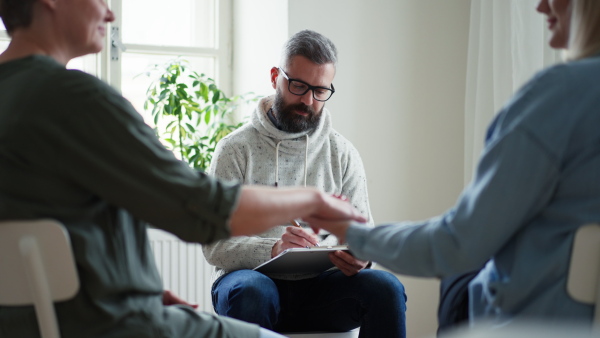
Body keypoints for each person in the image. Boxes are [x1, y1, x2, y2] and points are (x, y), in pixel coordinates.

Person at [0, 1, 367, 338]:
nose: (109, 14)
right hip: (108, 324)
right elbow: (198, 208)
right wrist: (310, 201)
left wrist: (141, 289)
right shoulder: (80, 103)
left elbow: (43, 225)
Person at [307, 0, 600, 331]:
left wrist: (351, 233)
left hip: (531, 320)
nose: (541, 7)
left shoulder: (555, 98)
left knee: (459, 277)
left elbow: (456, 245)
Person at [202, 29, 407, 337]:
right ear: (275, 77)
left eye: (320, 90)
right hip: (250, 284)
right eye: (298, 85)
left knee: (386, 288)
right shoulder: (234, 150)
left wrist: (362, 258)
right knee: (252, 291)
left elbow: (364, 235)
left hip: (323, 290)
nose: (308, 100)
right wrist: (273, 249)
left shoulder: (342, 153)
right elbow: (214, 245)